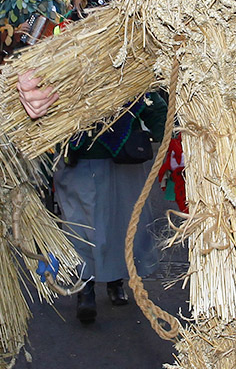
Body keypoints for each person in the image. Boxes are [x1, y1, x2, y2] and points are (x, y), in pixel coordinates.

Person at [58, 87, 167, 323]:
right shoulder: (64, 62)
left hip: (124, 157)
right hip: (83, 158)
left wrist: (172, 132)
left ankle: (115, 280)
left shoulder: (129, 61)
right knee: (81, 225)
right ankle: (84, 287)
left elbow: (150, 100)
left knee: (122, 223)